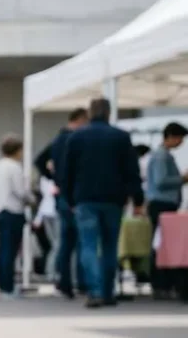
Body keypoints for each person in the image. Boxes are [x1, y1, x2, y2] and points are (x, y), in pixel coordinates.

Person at [62, 98, 144, 308]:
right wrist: (138, 199)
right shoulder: (121, 137)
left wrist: (69, 199)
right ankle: (108, 292)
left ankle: (95, 291)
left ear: (90, 113)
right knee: (110, 246)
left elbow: (66, 172)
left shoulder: (76, 137)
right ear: (108, 113)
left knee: (88, 246)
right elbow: (132, 171)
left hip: (85, 199)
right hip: (113, 200)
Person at [34, 108, 89, 298]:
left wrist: (54, 177)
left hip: (62, 195)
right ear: (80, 120)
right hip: (74, 194)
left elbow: (39, 161)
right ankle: (81, 281)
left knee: (66, 241)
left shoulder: (58, 140)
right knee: (80, 241)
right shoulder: (75, 140)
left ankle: (64, 281)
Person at [144, 121, 188, 298]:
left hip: (162, 203)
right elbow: (161, 181)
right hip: (162, 204)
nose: (181, 143)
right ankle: (161, 283)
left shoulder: (162, 155)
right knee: (163, 245)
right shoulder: (162, 156)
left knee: (162, 244)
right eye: (180, 138)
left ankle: (163, 283)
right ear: (170, 137)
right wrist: (182, 179)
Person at [0, 136, 31, 298]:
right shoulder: (14, 167)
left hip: (0, 211)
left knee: (3, 251)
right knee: (11, 251)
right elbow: (20, 191)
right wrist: (31, 199)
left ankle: (3, 286)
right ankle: (9, 287)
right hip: (13, 212)